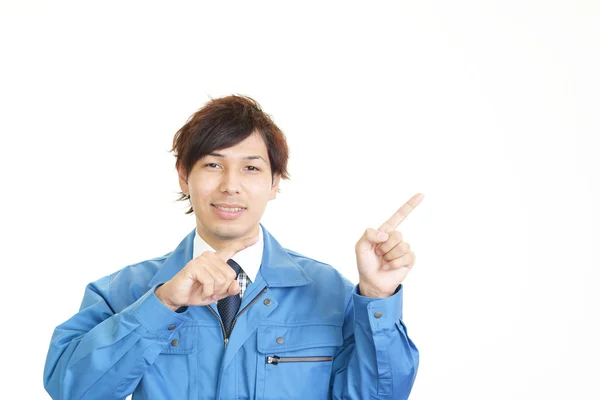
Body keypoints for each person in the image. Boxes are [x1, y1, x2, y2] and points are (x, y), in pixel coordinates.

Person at [43, 94, 422, 400]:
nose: (230, 185)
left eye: (251, 168)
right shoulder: (122, 291)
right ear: (183, 176)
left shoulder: (329, 292)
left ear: (275, 183)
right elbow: (71, 390)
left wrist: (376, 296)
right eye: (212, 165)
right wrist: (161, 304)